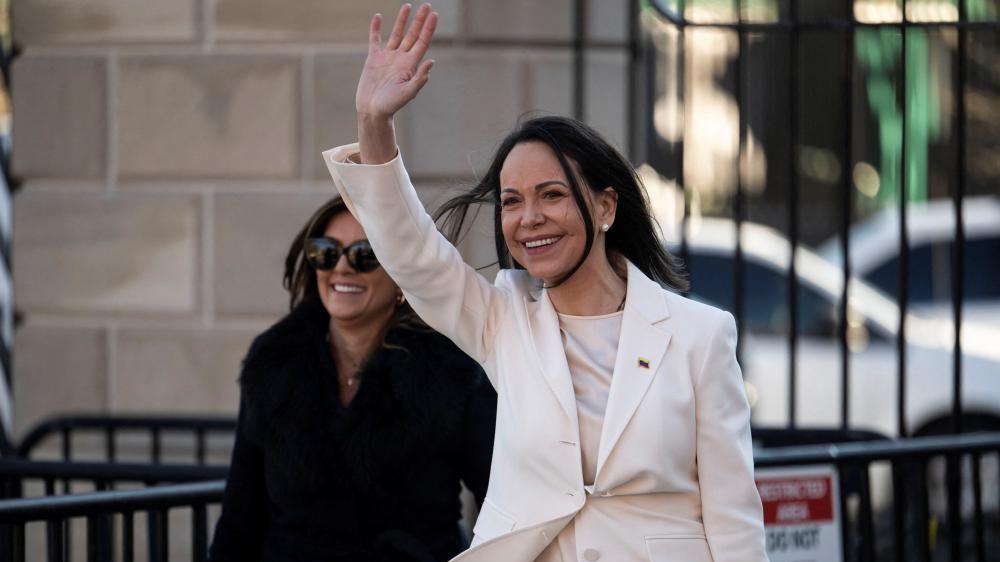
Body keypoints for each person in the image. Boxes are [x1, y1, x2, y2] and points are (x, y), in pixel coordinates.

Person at [323, 4, 768, 561]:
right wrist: (374, 123)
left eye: (551, 195)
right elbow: (413, 256)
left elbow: (734, 519)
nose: (528, 217)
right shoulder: (503, 318)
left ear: (606, 206)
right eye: (512, 202)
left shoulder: (701, 336)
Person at [208, 196, 497, 562]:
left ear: (400, 273)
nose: (342, 268)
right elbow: (241, 516)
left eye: (365, 254)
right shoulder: (274, 365)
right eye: (326, 252)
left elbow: (502, 504)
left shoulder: (452, 371)